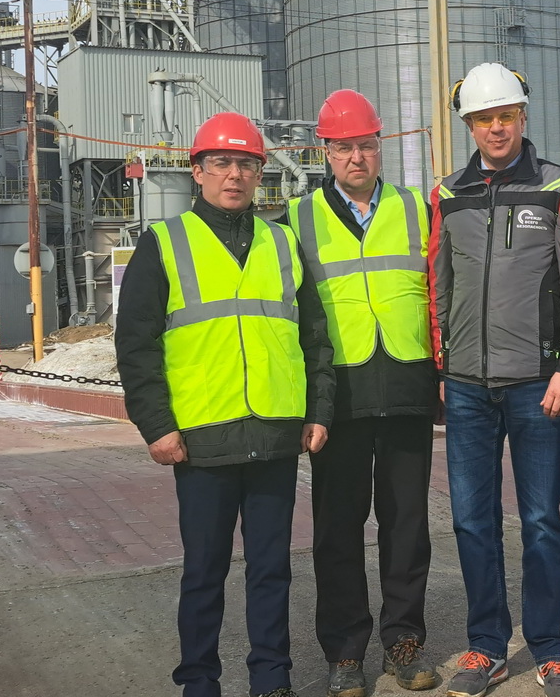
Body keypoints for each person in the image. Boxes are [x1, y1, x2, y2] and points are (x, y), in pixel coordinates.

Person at [115, 112, 335, 697]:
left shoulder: (282, 243)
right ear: (197, 171)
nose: (234, 174)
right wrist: (157, 426)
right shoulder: (164, 244)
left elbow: (315, 338)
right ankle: (199, 682)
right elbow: (135, 346)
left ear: (261, 172)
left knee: (272, 569)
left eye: (246, 163)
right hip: (202, 438)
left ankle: (272, 678)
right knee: (204, 573)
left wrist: (319, 411)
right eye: (221, 163)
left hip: (274, 433)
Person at [428, 62, 560, 697]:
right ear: (469, 126)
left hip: (538, 385)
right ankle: (486, 648)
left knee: (541, 521)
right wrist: (444, 363)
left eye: (505, 116)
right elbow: (437, 285)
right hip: (468, 388)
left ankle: (550, 650)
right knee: (472, 522)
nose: (496, 128)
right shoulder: (447, 194)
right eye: (483, 119)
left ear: (523, 117)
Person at [286, 89, 439, 697]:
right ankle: (345, 650)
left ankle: (404, 640)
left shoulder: (416, 208)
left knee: (407, 525)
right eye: (344, 147)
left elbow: (441, 289)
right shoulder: (297, 219)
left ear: (381, 147)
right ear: (325, 151)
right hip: (339, 394)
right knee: (338, 529)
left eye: (367, 145)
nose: (357, 157)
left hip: (405, 383)